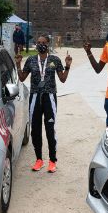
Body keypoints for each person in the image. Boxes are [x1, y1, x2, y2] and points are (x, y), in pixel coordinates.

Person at [14, 35, 72, 173]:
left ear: (48, 44)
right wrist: (18, 64)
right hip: (35, 96)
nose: (41, 45)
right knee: (35, 129)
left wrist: (68, 66)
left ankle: (52, 161)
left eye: (44, 43)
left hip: (49, 97)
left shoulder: (54, 60)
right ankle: (39, 159)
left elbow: (62, 79)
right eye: (39, 43)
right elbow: (22, 78)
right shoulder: (31, 60)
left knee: (50, 129)